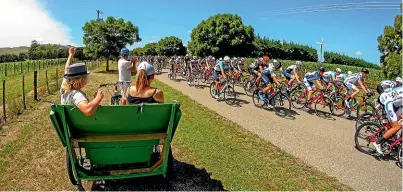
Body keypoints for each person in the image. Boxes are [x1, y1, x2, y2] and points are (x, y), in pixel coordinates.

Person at [61, 47, 104, 116]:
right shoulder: (77, 95)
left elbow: (67, 70)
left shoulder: (64, 88)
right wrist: (98, 98)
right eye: (86, 77)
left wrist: (70, 55)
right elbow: (88, 110)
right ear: (81, 80)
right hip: (80, 126)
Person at [372, 86, 403, 154]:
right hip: (389, 103)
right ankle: (378, 143)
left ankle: (390, 137)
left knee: (399, 124)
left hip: (394, 104)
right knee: (396, 126)